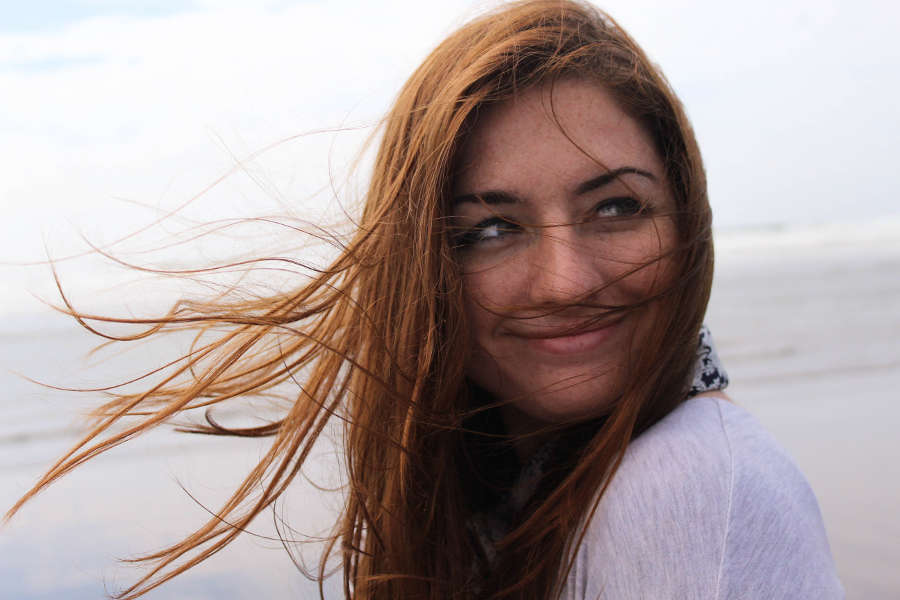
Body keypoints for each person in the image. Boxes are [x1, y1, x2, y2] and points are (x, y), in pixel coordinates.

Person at [7, 1, 843, 598]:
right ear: (423, 268)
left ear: (687, 217)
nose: (566, 281)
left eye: (617, 208)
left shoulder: (689, 484)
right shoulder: (525, 482)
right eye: (491, 229)